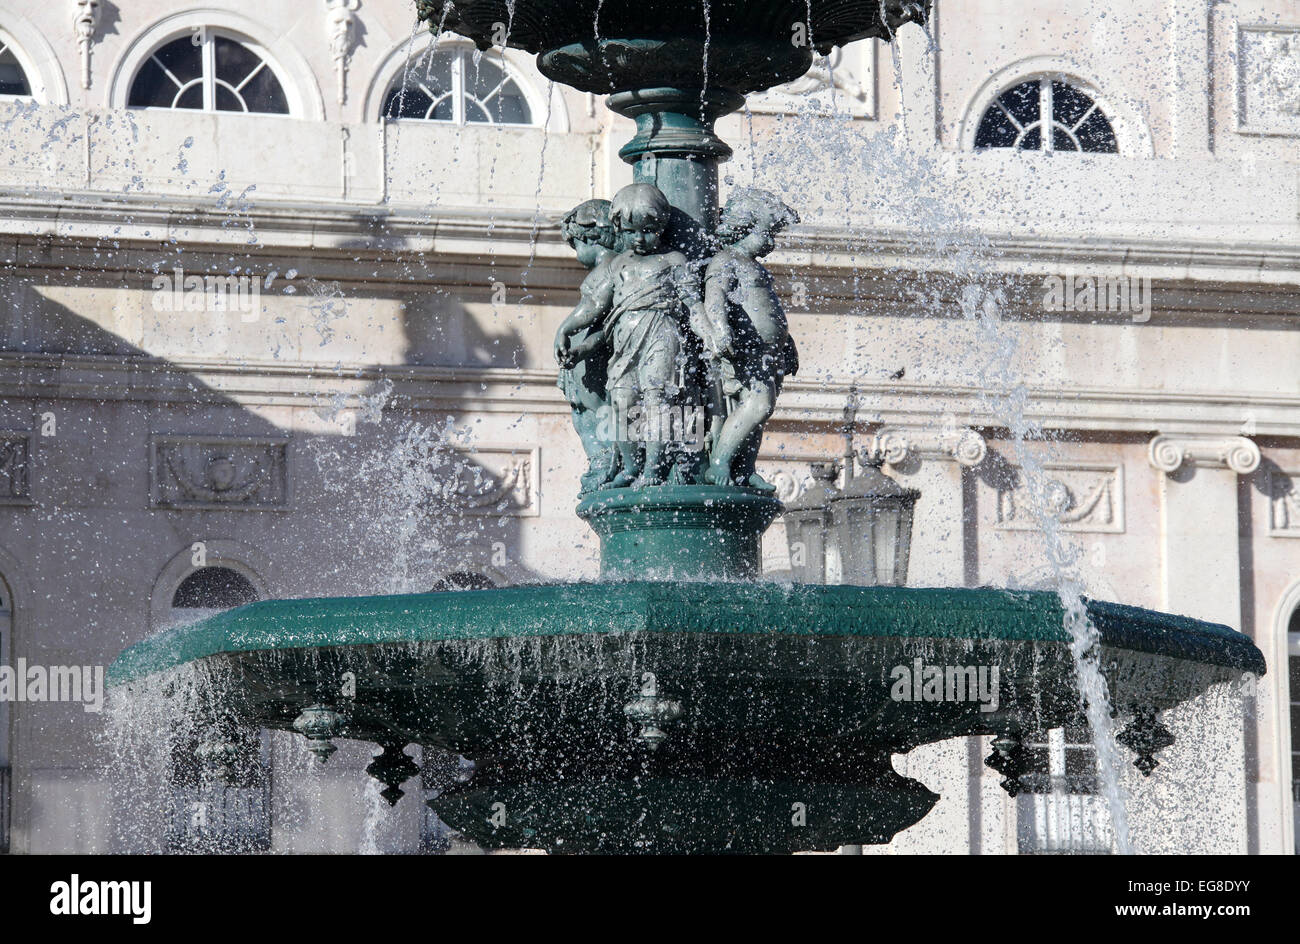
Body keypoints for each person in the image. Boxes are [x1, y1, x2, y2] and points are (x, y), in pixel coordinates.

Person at [555, 183, 711, 487]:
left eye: (648, 230)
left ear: (662, 227)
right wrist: (568, 331)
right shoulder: (619, 264)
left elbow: (693, 306)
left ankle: (653, 470)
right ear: (619, 229)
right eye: (630, 232)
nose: (638, 239)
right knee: (621, 402)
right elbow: (596, 306)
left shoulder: (674, 261)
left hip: (662, 336)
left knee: (656, 402)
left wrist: (711, 336)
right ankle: (630, 466)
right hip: (625, 341)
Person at [701, 188, 800, 491]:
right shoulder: (726, 260)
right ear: (742, 228)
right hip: (744, 350)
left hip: (768, 353)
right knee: (758, 406)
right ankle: (719, 461)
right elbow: (714, 297)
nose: (771, 242)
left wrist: (788, 342)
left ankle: (745, 468)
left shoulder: (756, 266)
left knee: (757, 415)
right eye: (766, 233)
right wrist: (720, 329)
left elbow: (769, 309)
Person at [555, 199, 620, 493]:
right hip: (584, 358)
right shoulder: (615, 269)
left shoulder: (606, 271)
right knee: (587, 414)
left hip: (592, 363)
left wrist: (564, 331)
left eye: (577, 244)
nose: (576, 253)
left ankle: (604, 462)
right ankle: (603, 461)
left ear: (593, 237)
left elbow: (593, 309)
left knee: (593, 413)